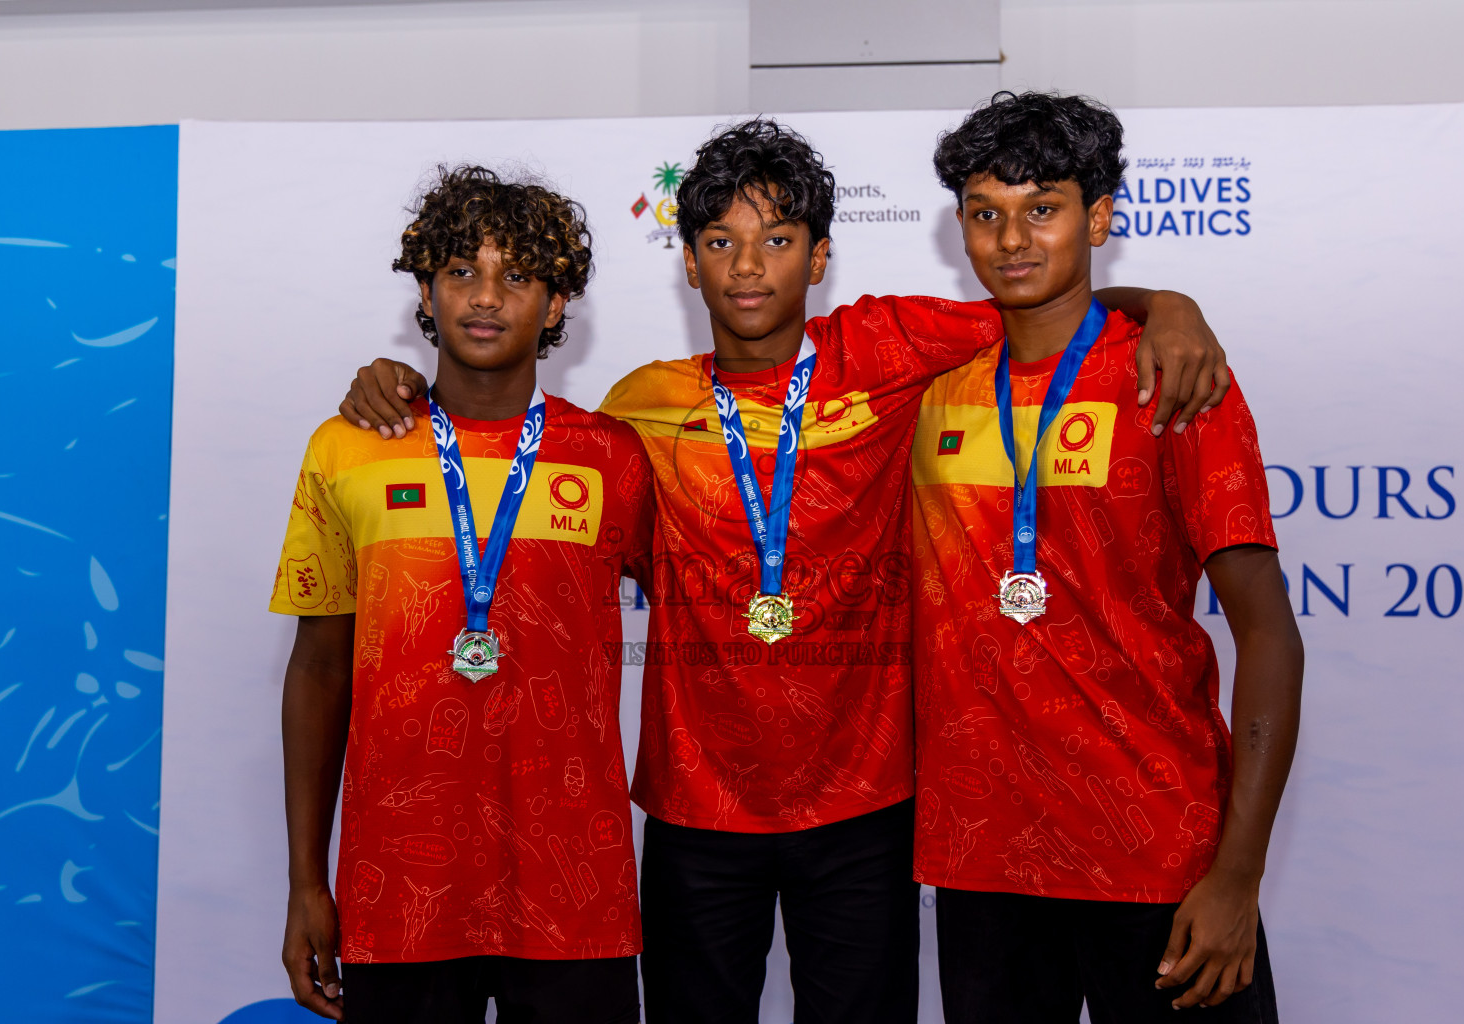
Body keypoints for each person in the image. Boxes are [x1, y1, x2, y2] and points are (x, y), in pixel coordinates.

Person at [338, 119, 1230, 1024]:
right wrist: (401, 385)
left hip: (863, 808)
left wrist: (1164, 305)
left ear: (820, 256)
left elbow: (1042, 302)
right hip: (695, 814)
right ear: (689, 263)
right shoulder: (634, 411)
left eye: (777, 240)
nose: (749, 267)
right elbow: (516, 465)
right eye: (721, 243)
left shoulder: (889, 346)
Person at [911, 92, 1302, 1022]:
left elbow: (1271, 637)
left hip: (1159, 851)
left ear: (1098, 218)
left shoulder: (1172, 375)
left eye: (1041, 209)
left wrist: (1237, 877)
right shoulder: (927, 390)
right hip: (983, 860)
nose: (1012, 239)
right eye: (985, 214)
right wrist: (1163, 296)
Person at [272, 166, 654, 1024]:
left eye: (517, 275)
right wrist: (306, 881)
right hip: (396, 895)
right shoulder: (347, 446)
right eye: (461, 272)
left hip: (574, 898)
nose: (486, 297)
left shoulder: (612, 457)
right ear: (426, 290)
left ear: (556, 305)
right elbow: (319, 670)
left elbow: (701, 620)